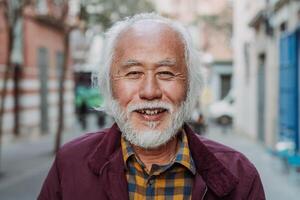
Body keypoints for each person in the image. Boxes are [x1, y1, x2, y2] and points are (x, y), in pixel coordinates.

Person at [38, 13, 265, 200]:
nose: (150, 91)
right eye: (133, 73)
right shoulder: (70, 165)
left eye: (166, 73)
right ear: (109, 84)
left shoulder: (240, 177)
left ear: (190, 85)